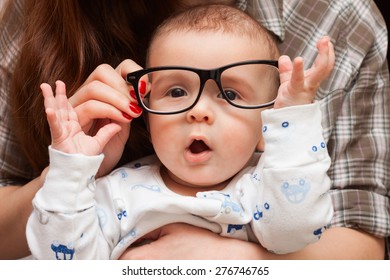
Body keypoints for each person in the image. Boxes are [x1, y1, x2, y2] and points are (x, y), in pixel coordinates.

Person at [0, 0, 388, 260]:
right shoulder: (114, 191)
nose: (199, 112)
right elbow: (61, 257)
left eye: (231, 94)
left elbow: (295, 231)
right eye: (177, 91)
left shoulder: (266, 193)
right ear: (146, 117)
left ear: (263, 128)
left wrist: (291, 121)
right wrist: (72, 171)